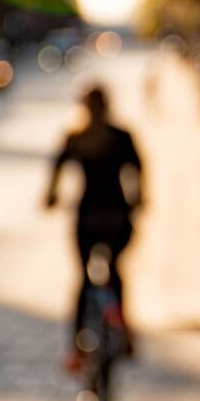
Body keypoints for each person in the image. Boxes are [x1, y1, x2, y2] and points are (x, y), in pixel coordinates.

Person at [45, 87, 143, 373]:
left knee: (83, 278)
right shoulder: (121, 136)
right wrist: (139, 198)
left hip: (87, 216)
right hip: (117, 215)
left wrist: (51, 197)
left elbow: (57, 170)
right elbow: (139, 169)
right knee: (115, 270)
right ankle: (122, 328)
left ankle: (76, 348)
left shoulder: (77, 137)